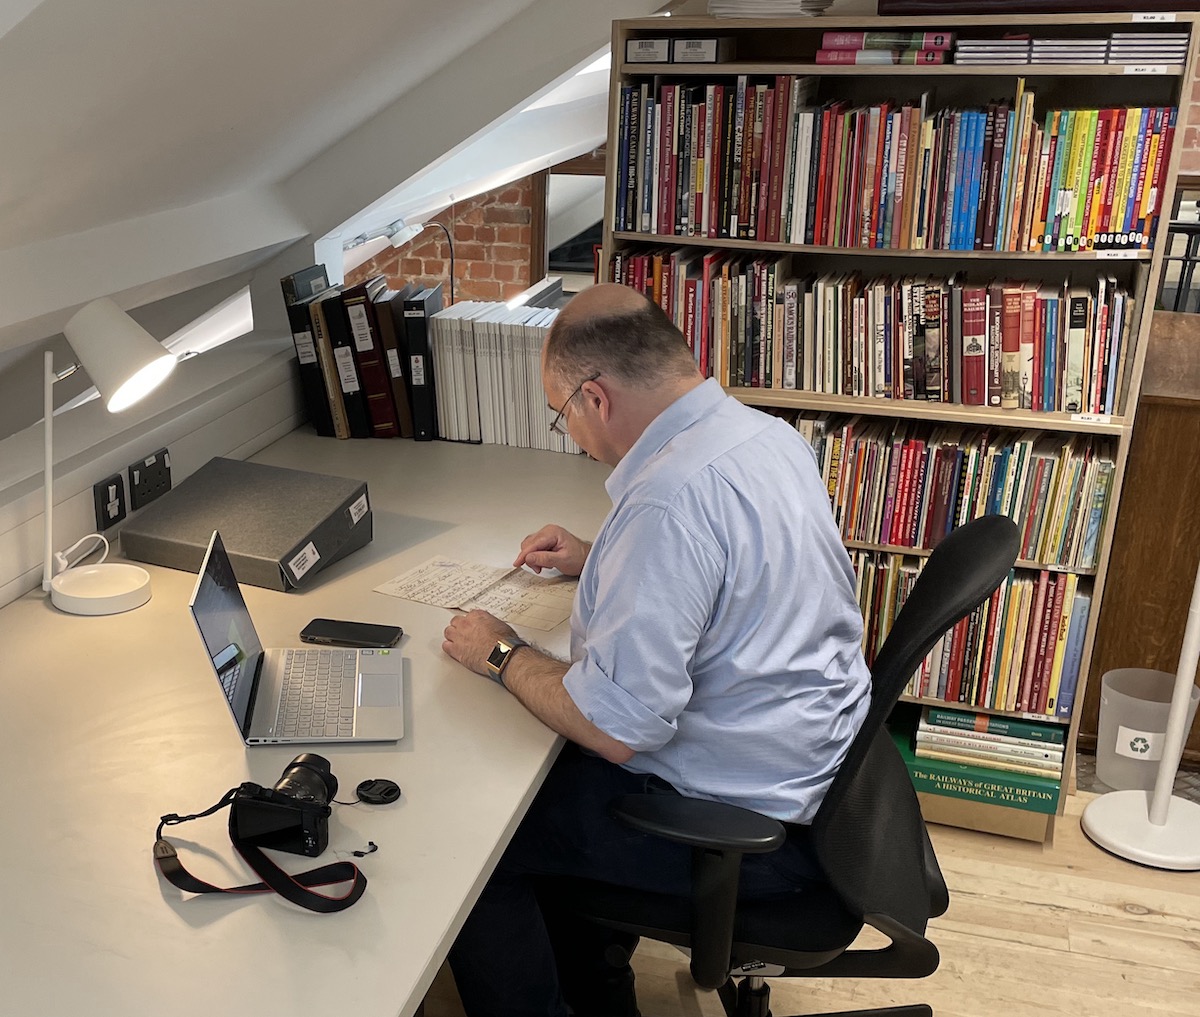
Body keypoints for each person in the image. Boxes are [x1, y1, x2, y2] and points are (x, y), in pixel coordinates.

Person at [442, 283, 871, 1017]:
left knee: (470, 845)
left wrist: (500, 650)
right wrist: (603, 555)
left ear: (595, 399)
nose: (569, 431)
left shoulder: (668, 499)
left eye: (562, 414)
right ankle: (599, 985)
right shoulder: (763, 436)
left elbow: (616, 727)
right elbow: (730, 573)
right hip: (819, 787)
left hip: (749, 831)